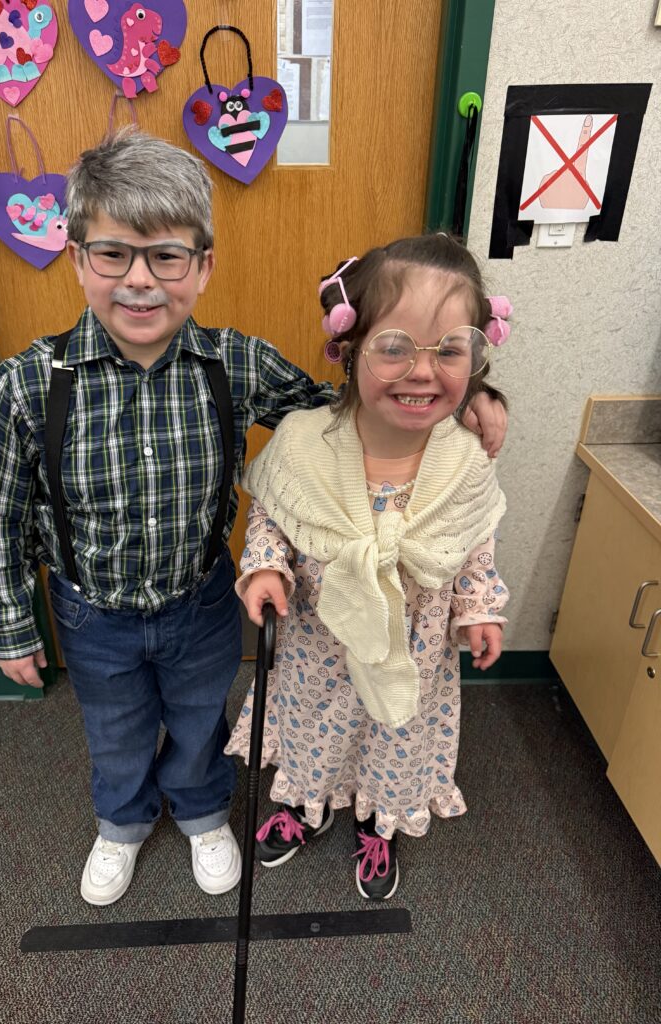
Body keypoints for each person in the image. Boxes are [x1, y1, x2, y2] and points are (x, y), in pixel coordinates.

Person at [0, 130, 508, 908]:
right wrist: (10, 625)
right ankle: (121, 820)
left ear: (202, 266)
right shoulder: (26, 385)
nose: (140, 281)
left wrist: (463, 400)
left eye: (167, 257)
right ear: (78, 258)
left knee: (196, 720)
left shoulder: (234, 363)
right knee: (114, 730)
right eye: (113, 255)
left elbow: (339, 420)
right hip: (92, 614)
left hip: (202, 605)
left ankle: (204, 811)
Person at [226, 234, 510, 900]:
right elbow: (275, 512)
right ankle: (304, 806)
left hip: (413, 651)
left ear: (475, 358)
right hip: (318, 648)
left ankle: (378, 820)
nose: (422, 371)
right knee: (311, 733)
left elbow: (472, 543)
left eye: (448, 350)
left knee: (392, 737)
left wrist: (479, 607)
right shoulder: (306, 440)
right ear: (350, 351)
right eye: (395, 347)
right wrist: (266, 567)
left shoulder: (462, 458)